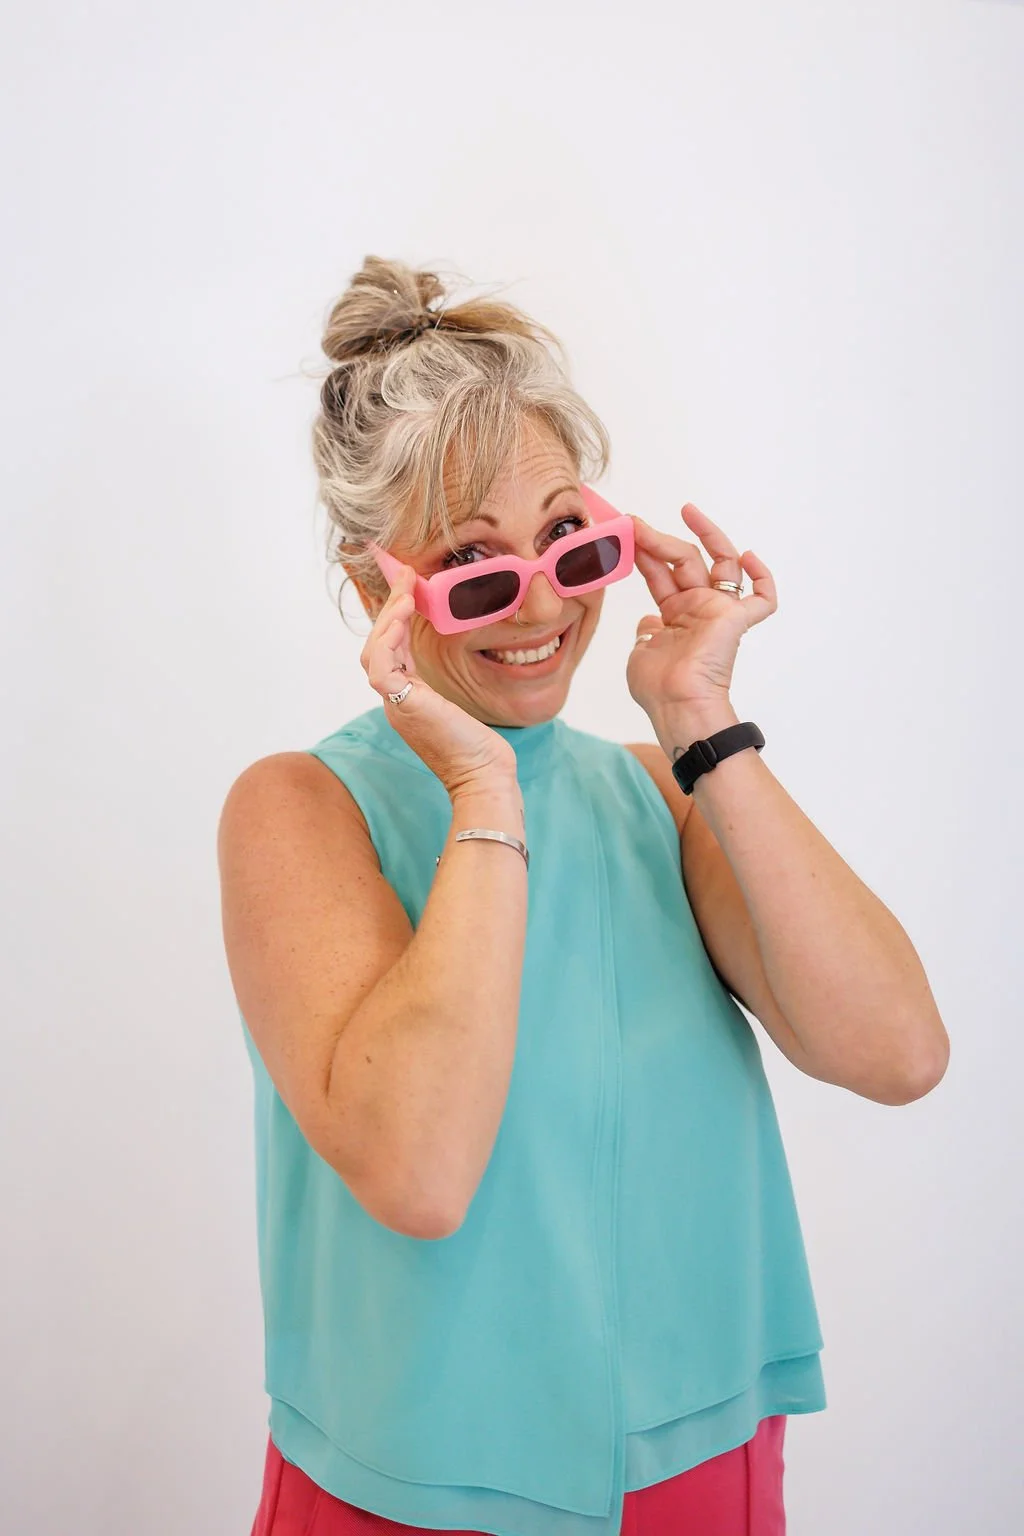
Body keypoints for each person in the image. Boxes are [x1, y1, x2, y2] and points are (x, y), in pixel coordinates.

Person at [217, 255, 949, 1536]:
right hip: (422, 1480)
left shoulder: (662, 793)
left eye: (572, 540)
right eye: (475, 567)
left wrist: (699, 718)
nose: (544, 602)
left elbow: (895, 1053)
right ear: (371, 586)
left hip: (700, 1451)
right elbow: (421, 1172)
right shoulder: (297, 810)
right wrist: (482, 791)